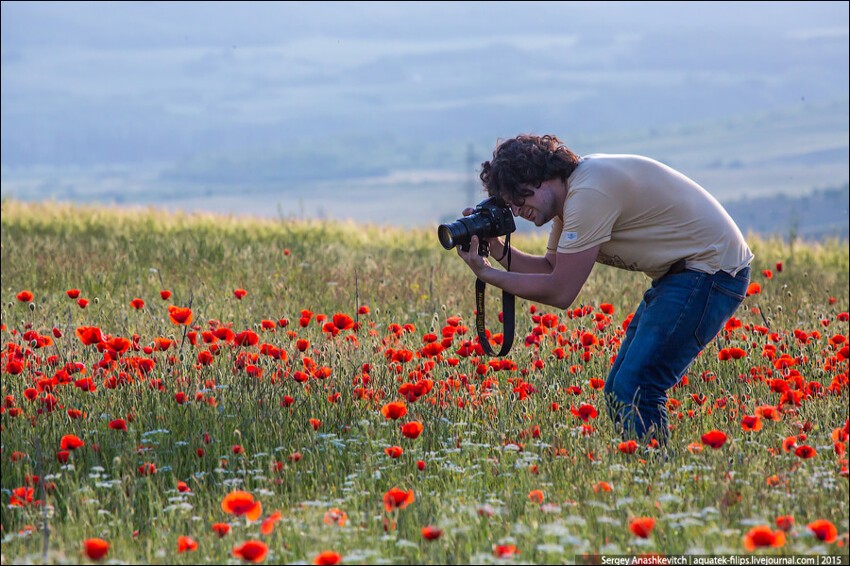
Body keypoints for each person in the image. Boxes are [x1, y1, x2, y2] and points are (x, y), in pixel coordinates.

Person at [456, 134, 753, 445]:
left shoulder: (589, 194)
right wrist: (497, 250)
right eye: (510, 205)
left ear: (541, 177)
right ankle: (649, 471)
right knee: (618, 391)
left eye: (520, 197)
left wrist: (487, 274)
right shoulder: (574, 192)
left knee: (637, 387)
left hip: (711, 271)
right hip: (685, 274)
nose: (518, 210)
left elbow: (561, 291)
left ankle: (655, 475)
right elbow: (549, 269)